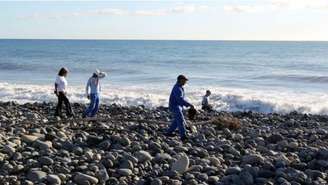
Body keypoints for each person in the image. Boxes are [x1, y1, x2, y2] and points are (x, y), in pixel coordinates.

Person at [166, 75, 194, 141]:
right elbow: (179, 100)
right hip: (175, 106)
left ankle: (168, 133)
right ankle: (183, 136)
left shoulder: (180, 87)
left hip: (178, 107)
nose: (185, 82)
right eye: (184, 80)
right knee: (180, 120)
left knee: (176, 121)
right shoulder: (177, 88)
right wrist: (189, 104)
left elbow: (180, 100)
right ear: (180, 80)